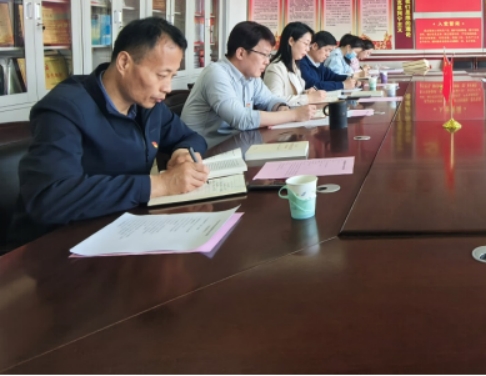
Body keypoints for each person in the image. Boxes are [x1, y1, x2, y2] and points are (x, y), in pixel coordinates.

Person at [9, 18, 209, 248]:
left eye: (172, 76)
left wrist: (182, 153)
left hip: (119, 228)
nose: (168, 87)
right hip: (52, 246)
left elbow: (191, 138)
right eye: (161, 75)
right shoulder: (65, 109)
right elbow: (50, 198)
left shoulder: (148, 106)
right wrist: (160, 185)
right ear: (124, 63)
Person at [181, 21, 316, 146]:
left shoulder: (251, 76)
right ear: (241, 53)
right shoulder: (216, 73)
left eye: (269, 55)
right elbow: (241, 119)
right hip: (206, 152)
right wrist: (293, 115)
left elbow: (270, 99)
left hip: (237, 144)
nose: (267, 61)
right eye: (264, 55)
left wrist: (281, 107)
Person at [263, 21, 328, 106]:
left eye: (309, 45)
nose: (308, 49)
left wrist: (306, 93)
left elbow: (295, 94)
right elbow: (273, 101)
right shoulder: (275, 68)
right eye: (306, 44)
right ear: (291, 41)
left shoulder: (295, 66)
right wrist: (308, 98)